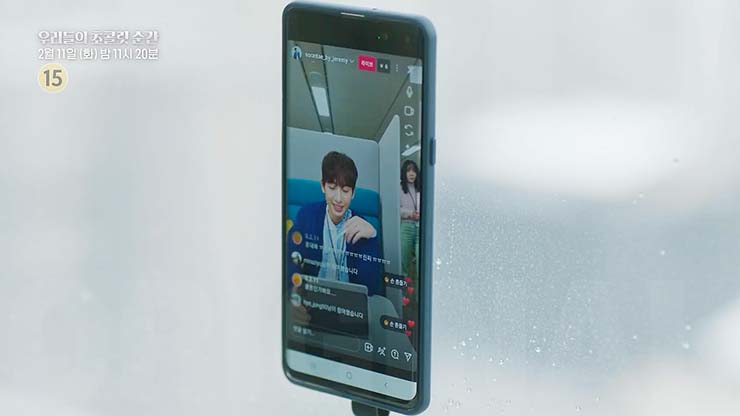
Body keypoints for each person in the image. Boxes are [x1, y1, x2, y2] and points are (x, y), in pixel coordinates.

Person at [288, 151, 383, 296]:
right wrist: (293, 292)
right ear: (323, 186)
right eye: (332, 188)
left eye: (345, 191)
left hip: (349, 303)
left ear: (353, 193)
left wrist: (372, 238)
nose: (338, 199)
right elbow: (291, 259)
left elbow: (371, 288)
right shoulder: (306, 215)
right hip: (312, 297)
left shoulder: (361, 227)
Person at [400, 160, 421, 280]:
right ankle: (404, 289)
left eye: (414, 171)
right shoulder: (400, 188)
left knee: (420, 262)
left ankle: (419, 287)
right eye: (409, 171)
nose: (412, 173)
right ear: (404, 173)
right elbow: (397, 209)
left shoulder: (421, 188)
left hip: (420, 228)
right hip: (406, 226)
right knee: (404, 261)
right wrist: (410, 214)